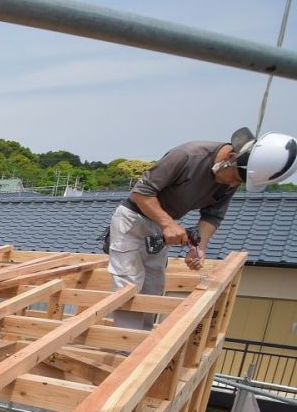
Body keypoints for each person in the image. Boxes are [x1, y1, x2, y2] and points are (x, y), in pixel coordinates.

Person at [107, 128, 297, 329]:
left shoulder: (234, 175)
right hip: (133, 219)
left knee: (153, 285)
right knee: (128, 285)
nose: (233, 184)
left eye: (239, 182)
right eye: (234, 178)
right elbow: (141, 193)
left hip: (162, 227)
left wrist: (199, 247)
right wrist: (168, 224)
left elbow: (212, 215)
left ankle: (139, 340)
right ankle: (126, 346)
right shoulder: (188, 156)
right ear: (230, 158)